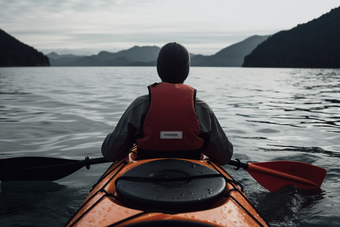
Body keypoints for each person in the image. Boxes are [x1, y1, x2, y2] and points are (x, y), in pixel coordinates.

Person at [101, 42, 233, 165]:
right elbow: (224, 156)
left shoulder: (139, 106)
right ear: (187, 70)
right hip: (193, 177)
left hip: (144, 177)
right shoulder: (201, 108)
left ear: (159, 68)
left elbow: (111, 153)